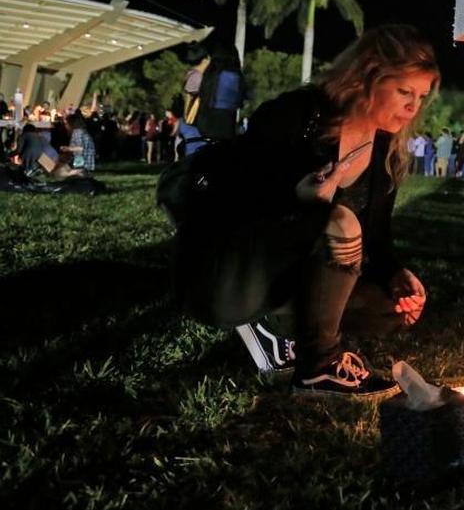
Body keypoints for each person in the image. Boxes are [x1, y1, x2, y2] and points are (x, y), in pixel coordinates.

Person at [171, 25, 437, 397]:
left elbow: (375, 236)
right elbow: (233, 200)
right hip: (235, 274)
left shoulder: (383, 148)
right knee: (339, 222)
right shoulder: (298, 114)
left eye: (422, 96)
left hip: (302, 274)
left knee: (391, 308)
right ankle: (318, 366)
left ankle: (276, 328)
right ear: (367, 78)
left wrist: (396, 274)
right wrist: (298, 197)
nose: (413, 107)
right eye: (404, 92)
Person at [194, 44, 248, 141]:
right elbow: (242, 97)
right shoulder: (236, 74)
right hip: (227, 117)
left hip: (211, 116)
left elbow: (203, 92)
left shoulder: (213, 72)